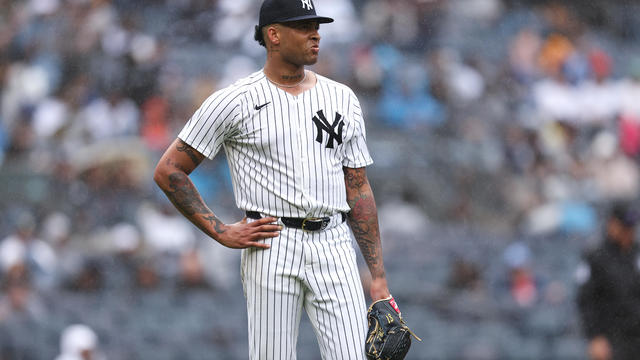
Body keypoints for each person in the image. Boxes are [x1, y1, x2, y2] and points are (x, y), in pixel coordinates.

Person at [153, 0, 392, 358]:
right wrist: (221, 231)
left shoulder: (343, 98)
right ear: (274, 35)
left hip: (334, 241)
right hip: (270, 242)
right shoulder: (234, 101)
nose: (315, 34)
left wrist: (377, 277)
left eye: (317, 26)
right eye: (303, 26)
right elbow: (169, 170)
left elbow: (357, 187)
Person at [576, 202, 640, 360]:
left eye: (631, 228)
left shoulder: (636, 253)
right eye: (625, 227)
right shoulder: (596, 256)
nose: (628, 232)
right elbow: (586, 300)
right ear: (612, 224)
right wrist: (595, 337)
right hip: (612, 337)